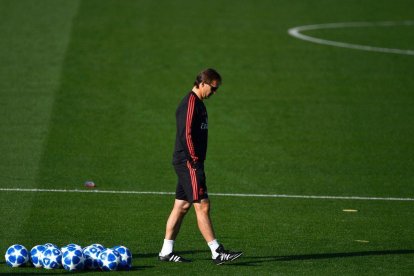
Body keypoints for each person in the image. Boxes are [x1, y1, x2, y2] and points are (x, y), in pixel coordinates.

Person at [158, 68, 243, 265]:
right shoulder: (190, 103)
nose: (214, 93)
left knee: (182, 205)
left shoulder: (200, 104)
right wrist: (194, 162)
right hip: (189, 162)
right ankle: (217, 251)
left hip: (189, 161)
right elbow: (185, 134)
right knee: (203, 205)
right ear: (202, 83)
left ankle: (166, 251)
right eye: (213, 88)